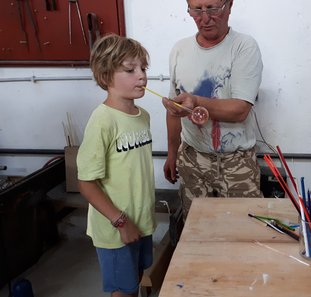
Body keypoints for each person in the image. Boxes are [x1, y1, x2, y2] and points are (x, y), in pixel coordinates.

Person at [163, 0, 264, 217]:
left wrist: (196, 101)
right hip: (192, 159)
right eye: (196, 10)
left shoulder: (243, 47)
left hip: (236, 163)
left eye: (213, 8)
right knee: (196, 232)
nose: (205, 18)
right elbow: (174, 110)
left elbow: (240, 110)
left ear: (229, 5)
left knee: (244, 233)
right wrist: (172, 153)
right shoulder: (179, 50)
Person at [76, 34, 156, 297]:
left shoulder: (142, 116)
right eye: (130, 70)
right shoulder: (102, 121)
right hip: (116, 228)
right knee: (123, 291)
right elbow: (86, 182)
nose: (142, 76)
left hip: (141, 221)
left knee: (136, 278)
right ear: (106, 75)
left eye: (143, 68)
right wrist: (121, 222)